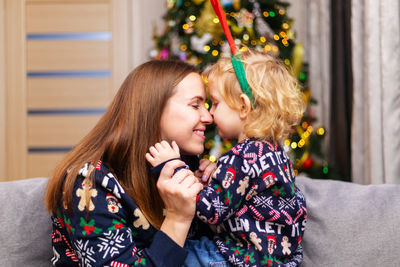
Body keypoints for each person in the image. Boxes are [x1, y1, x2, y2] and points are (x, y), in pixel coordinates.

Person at [44, 59, 216, 266]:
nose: (208, 117)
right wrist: (177, 218)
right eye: (195, 105)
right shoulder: (90, 183)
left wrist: (217, 196)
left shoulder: (183, 165)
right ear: (154, 108)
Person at [146, 49, 307, 266]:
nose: (209, 114)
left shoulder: (243, 157)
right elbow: (245, 199)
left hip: (239, 260)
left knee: (180, 254)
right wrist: (215, 178)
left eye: (215, 103)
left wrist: (173, 168)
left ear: (243, 106)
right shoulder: (273, 151)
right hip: (278, 260)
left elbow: (212, 212)